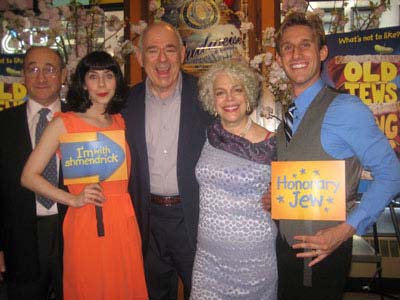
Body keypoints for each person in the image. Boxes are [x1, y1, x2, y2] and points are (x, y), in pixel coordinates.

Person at [274, 11, 400, 300]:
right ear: (279, 58)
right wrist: (277, 197)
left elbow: (392, 174)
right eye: (287, 47)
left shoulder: (345, 109)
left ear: (322, 52)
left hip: (321, 254)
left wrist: (344, 231)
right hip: (285, 252)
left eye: (305, 44)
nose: (296, 54)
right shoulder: (289, 115)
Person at [21, 51, 148, 300]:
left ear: (117, 82)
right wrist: (73, 200)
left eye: (108, 76)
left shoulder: (122, 122)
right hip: (85, 222)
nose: (101, 84)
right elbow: (28, 176)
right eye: (93, 76)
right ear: (83, 82)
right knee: (88, 288)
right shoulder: (64, 123)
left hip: (123, 222)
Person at [123, 21, 212, 300]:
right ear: (139, 57)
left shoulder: (208, 97)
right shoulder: (125, 103)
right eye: (152, 50)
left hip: (194, 217)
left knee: (202, 293)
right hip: (146, 218)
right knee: (152, 293)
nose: (162, 59)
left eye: (170, 49)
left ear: (183, 54)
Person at [190, 61, 277, 300]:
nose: (229, 98)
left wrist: (278, 199)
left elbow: (288, 196)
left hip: (254, 261)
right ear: (212, 100)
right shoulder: (207, 136)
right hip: (208, 260)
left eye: (237, 89)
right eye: (220, 92)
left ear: (248, 94)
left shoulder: (272, 143)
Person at [0, 46, 68, 300]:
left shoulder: (81, 120)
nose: (41, 77)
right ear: (23, 76)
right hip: (20, 240)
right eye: (33, 69)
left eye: (50, 69)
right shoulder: (4, 124)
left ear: (63, 75)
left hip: (72, 237)